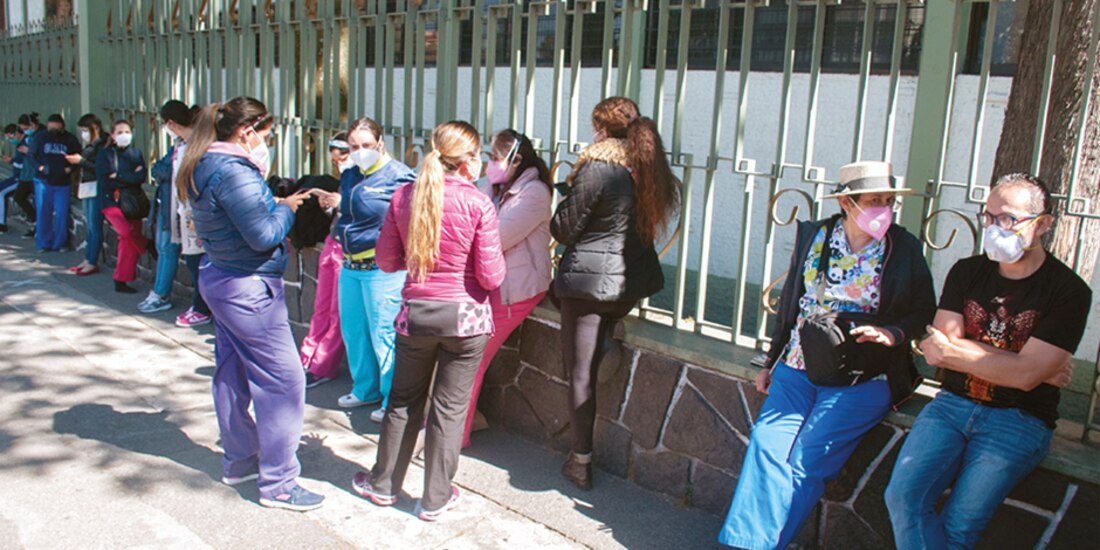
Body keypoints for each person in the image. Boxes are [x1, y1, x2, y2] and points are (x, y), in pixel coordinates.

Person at [717, 161, 935, 549]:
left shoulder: (902, 248)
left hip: (864, 375)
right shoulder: (816, 236)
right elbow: (791, 303)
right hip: (800, 365)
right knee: (767, 445)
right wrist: (771, 360)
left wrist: (891, 333)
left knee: (808, 458)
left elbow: (923, 310)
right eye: (875, 200)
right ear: (847, 202)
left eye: (889, 201)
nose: (884, 208)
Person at [885, 173, 1090, 550]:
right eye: (989, 217)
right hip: (950, 406)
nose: (995, 228)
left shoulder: (1069, 291)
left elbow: (1023, 377)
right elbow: (939, 350)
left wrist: (1021, 368)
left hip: (1019, 419)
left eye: (1008, 218)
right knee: (902, 498)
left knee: (960, 527)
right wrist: (1026, 365)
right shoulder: (967, 271)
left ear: (1042, 224)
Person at [351, 121, 504, 521]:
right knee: (449, 410)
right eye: (479, 155)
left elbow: (386, 261)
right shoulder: (479, 203)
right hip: (466, 320)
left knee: (403, 401)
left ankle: (383, 485)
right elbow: (491, 277)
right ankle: (435, 498)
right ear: (468, 160)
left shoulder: (404, 196)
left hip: (416, 315)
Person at [177, 96, 320, 511]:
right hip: (248, 287)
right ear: (246, 131)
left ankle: (240, 461)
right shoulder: (233, 171)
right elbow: (262, 235)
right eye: (265, 133)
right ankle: (278, 483)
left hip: (222, 277)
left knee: (233, 370)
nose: (265, 142)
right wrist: (286, 208)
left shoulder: (202, 162)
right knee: (284, 382)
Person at [551, 97, 679, 489]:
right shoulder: (648, 168)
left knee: (580, 375)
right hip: (628, 286)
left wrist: (566, 198)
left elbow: (562, 229)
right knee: (590, 336)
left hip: (588, 288)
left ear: (602, 131)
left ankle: (580, 461)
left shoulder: (598, 167)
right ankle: (605, 339)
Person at [313, 119, 415, 419]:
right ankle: (365, 388)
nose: (360, 152)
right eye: (354, 146)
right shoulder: (350, 175)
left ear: (380, 143)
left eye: (366, 145)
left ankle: (391, 398)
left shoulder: (400, 177)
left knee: (384, 334)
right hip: (350, 264)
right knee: (354, 330)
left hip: (382, 269)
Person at [462, 129, 552, 448]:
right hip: (489, 281)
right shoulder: (493, 187)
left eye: (496, 158)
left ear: (517, 161)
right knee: (462, 353)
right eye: (489, 157)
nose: (490, 164)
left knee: (470, 357)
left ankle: (453, 434)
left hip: (517, 288)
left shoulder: (534, 193)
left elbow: (495, 239)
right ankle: (467, 421)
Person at [297, 133, 353, 388]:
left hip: (348, 249)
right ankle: (307, 357)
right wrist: (328, 205)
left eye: (343, 157)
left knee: (337, 311)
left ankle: (322, 365)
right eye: (335, 160)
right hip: (333, 242)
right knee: (321, 307)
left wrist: (343, 203)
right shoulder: (346, 178)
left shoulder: (367, 179)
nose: (339, 164)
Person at [138, 101, 202, 315]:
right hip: (171, 206)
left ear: (171, 123)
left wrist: (166, 172)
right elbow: (158, 169)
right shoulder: (178, 143)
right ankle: (161, 293)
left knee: (186, 256)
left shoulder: (195, 144)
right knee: (166, 248)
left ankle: (194, 305)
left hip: (188, 210)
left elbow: (169, 172)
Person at [96, 120, 151, 294]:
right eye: (119, 132)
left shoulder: (136, 153)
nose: (124, 135)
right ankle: (146, 243)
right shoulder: (105, 154)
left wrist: (118, 176)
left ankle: (121, 279)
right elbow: (105, 181)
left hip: (132, 202)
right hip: (111, 202)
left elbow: (140, 177)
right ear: (112, 136)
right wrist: (129, 176)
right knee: (126, 232)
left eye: (127, 131)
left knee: (127, 243)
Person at [32, 113, 81, 252]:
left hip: (62, 182)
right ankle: (44, 243)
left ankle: (60, 242)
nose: (53, 132)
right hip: (43, 180)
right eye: (50, 128)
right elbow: (31, 155)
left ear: (62, 127)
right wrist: (40, 167)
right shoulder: (40, 137)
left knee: (61, 213)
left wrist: (70, 169)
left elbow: (78, 158)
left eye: (56, 129)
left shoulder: (70, 139)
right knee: (43, 212)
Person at [67, 114, 108, 275]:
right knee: (90, 225)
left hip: (97, 186)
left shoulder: (103, 144)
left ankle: (92, 261)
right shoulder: (91, 144)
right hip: (87, 184)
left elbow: (100, 168)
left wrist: (81, 161)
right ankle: (88, 258)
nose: (83, 134)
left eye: (85, 130)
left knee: (95, 225)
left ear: (95, 128)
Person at [14, 112, 41, 239]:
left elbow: (42, 153)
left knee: (38, 202)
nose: (24, 131)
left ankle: (38, 227)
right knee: (19, 197)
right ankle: (35, 220)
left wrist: (29, 151)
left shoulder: (41, 135)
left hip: (36, 173)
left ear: (32, 124)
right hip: (26, 173)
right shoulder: (29, 136)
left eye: (25, 128)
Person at [0, 124, 25, 233]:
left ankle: (1, 224)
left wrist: (12, 161)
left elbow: (26, 164)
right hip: (15, 176)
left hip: (21, 178)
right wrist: (11, 161)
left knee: (1, 192)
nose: (10, 140)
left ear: (17, 133)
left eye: (10, 137)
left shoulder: (25, 145)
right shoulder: (19, 144)